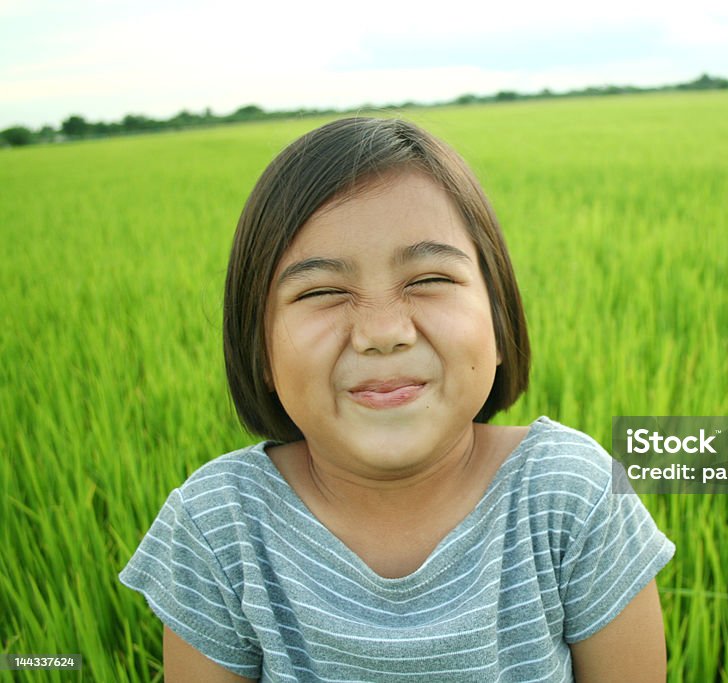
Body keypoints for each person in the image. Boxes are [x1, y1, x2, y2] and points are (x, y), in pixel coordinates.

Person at [119, 117, 675, 682]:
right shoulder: (220, 527)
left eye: (428, 279)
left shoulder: (571, 495)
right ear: (259, 349)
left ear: (500, 320)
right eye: (323, 292)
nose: (382, 331)